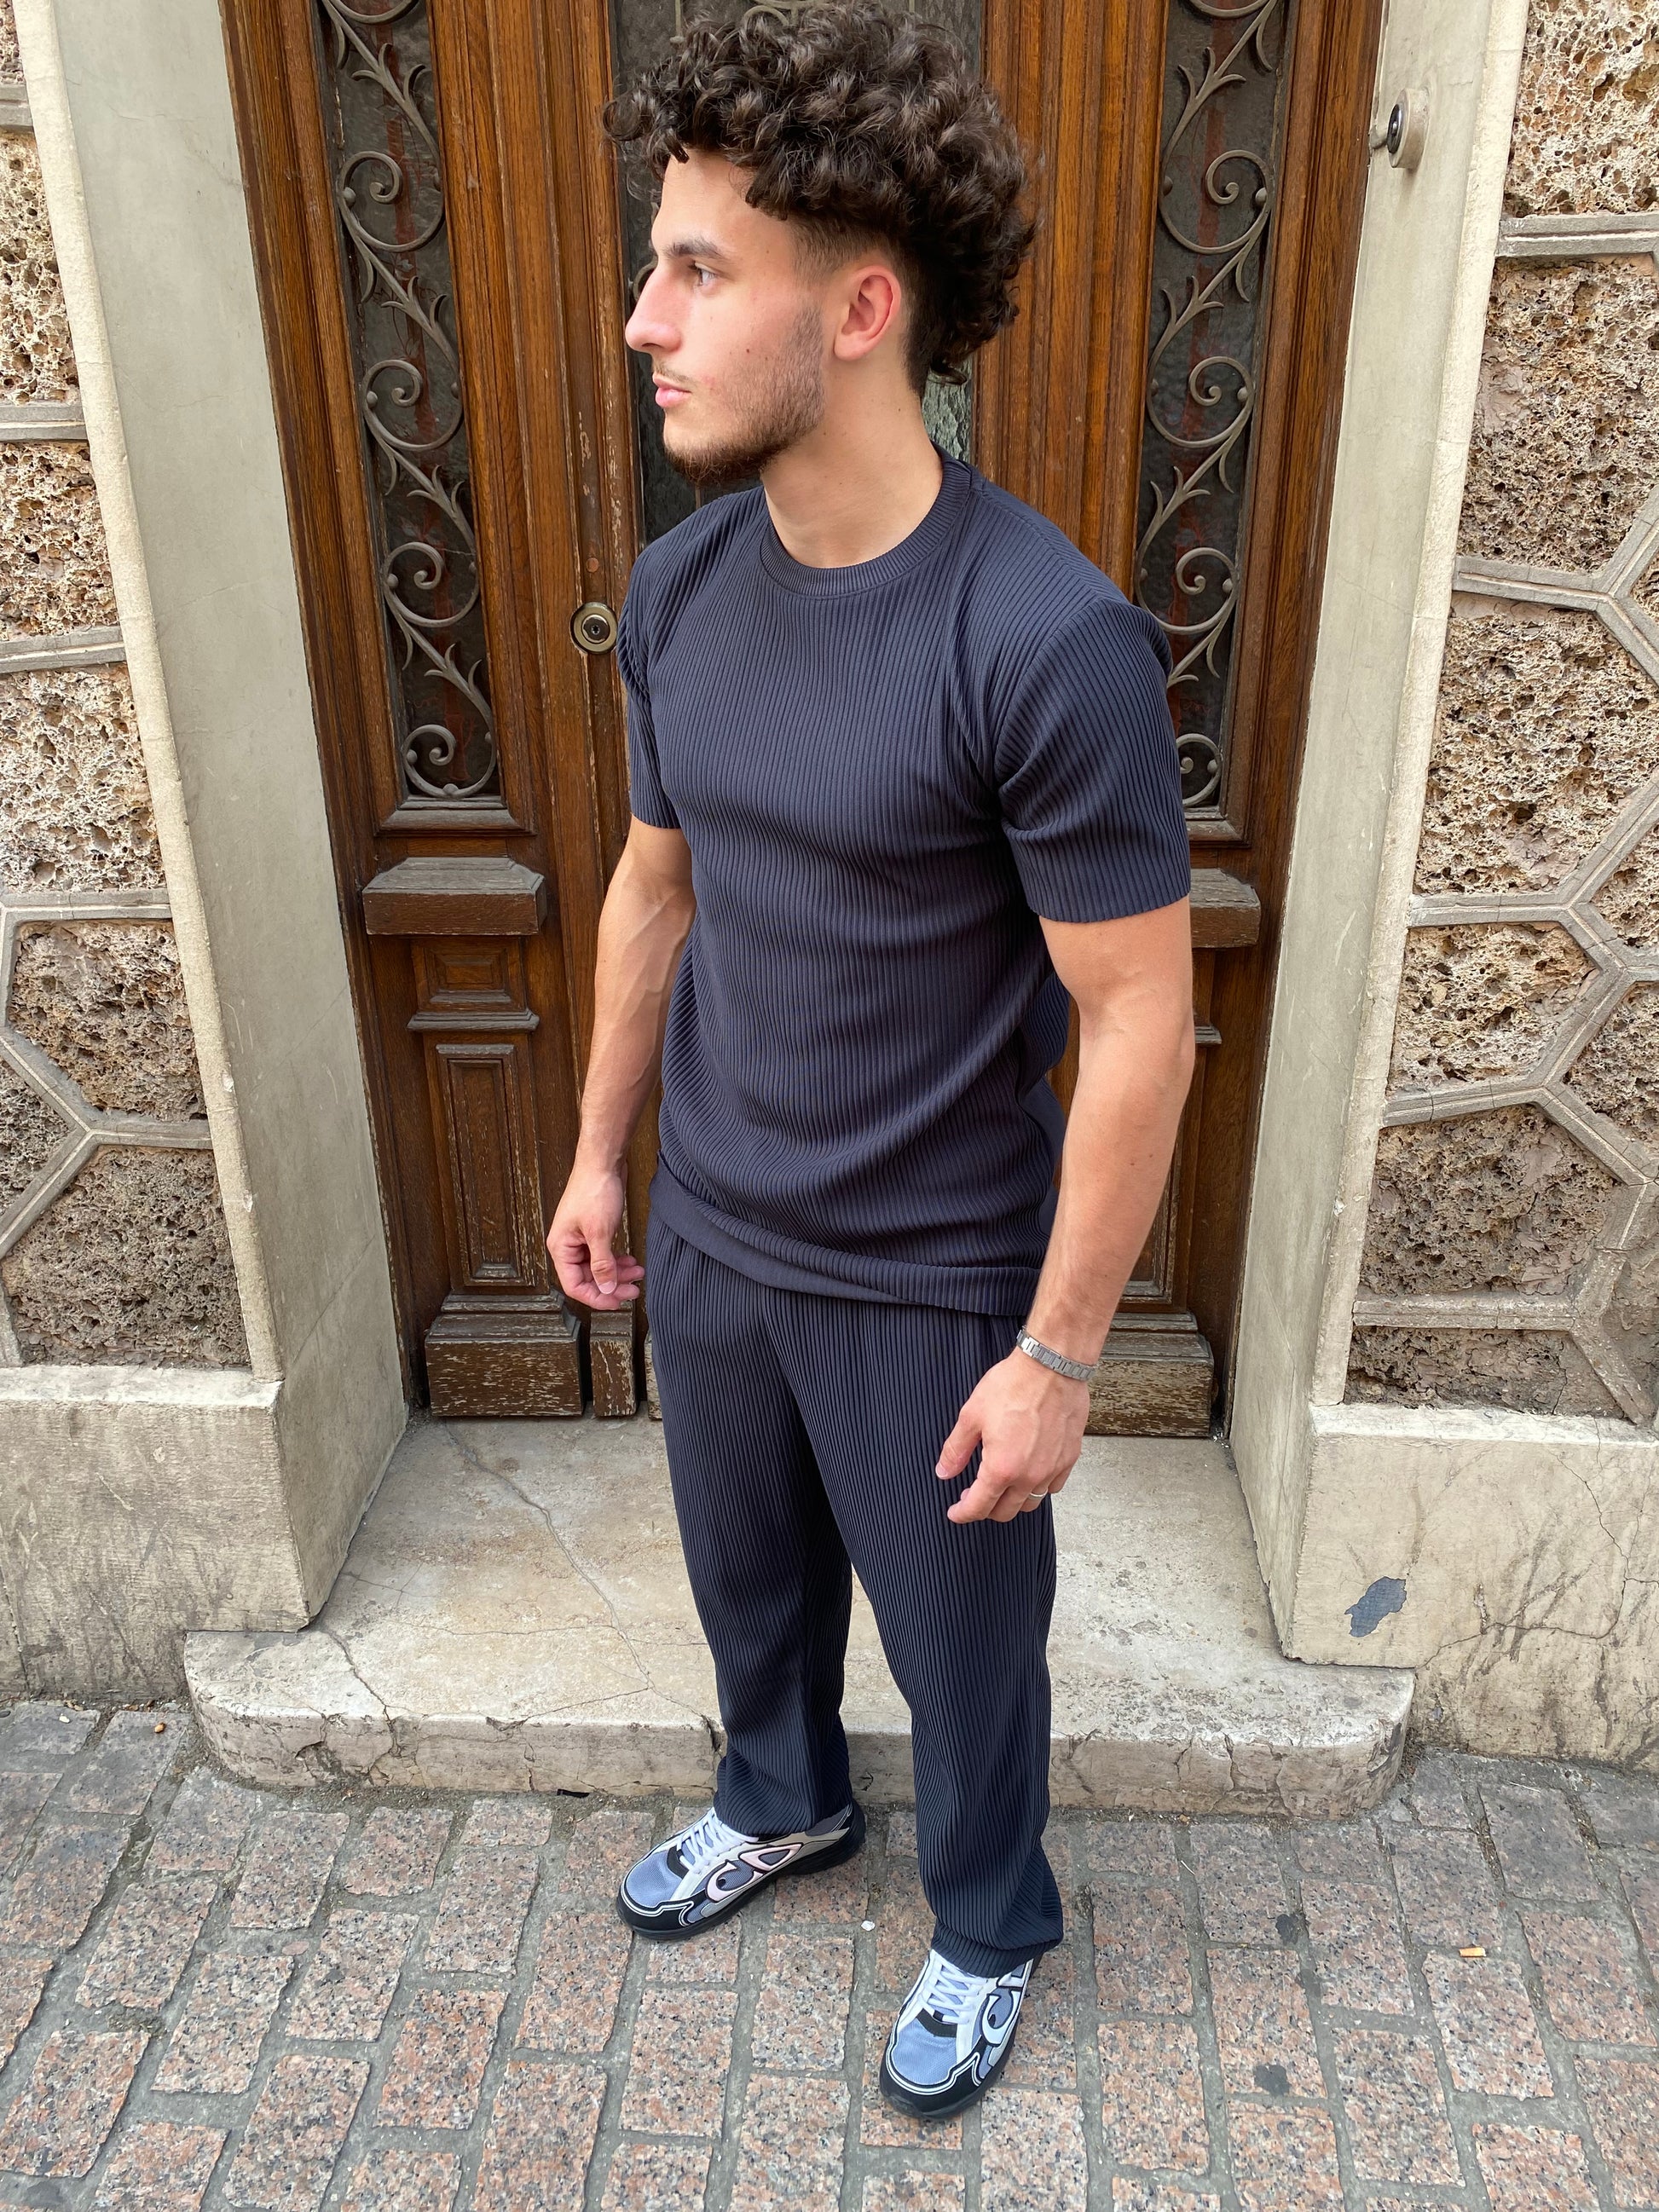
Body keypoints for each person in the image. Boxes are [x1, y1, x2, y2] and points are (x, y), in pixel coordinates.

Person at [546, 1, 1194, 2122]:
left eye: (695, 269)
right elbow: (653, 888)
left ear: (858, 310)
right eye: (654, 264)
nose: (643, 321)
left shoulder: (1044, 637)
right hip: (719, 1226)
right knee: (748, 1589)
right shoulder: (679, 590)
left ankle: (989, 1915)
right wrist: (601, 1156)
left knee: (965, 1641)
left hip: (931, 1271)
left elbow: (1140, 1015)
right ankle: (783, 1795)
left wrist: (1059, 1353)